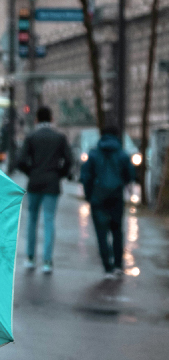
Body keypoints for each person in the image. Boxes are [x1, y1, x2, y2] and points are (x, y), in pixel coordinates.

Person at [16, 106, 73, 274]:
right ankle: (47, 261)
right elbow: (69, 161)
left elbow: (20, 161)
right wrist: (58, 174)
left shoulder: (31, 137)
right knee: (49, 221)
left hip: (34, 183)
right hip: (52, 184)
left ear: (36, 120)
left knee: (32, 220)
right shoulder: (60, 137)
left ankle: (30, 258)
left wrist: (31, 172)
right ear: (52, 119)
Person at [80, 124, 136, 279]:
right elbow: (130, 174)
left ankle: (108, 267)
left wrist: (88, 195)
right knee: (117, 231)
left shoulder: (94, 154)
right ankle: (118, 265)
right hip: (116, 197)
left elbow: (86, 177)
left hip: (98, 198)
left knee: (101, 234)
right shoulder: (122, 154)